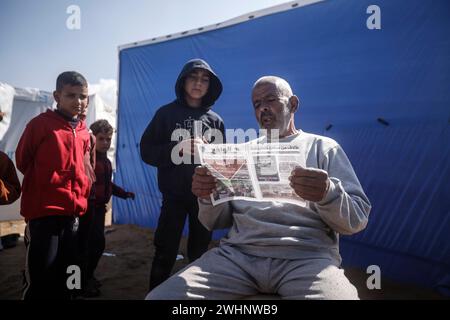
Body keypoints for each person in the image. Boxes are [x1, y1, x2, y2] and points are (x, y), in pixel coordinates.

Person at [146, 76, 371, 300]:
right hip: (238, 257)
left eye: (270, 100)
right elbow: (216, 221)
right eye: (256, 104)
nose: (263, 108)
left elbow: (357, 219)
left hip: (307, 259)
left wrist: (328, 193)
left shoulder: (323, 148)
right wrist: (207, 197)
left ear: (293, 104)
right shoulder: (240, 153)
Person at [140, 58, 225, 291]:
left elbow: (222, 163)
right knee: (165, 251)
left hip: (204, 199)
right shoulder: (165, 114)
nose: (198, 83)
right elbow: (147, 151)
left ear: (211, 85)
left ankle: (192, 298)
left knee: (199, 254)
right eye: (193, 77)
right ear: (183, 80)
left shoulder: (215, 121)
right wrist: (176, 149)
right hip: (173, 197)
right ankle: (154, 294)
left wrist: (212, 154)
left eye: (205, 79)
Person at [16, 71, 92, 300]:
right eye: (71, 95)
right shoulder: (39, 125)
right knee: (42, 278)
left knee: (72, 273)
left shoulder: (84, 132)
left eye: (83, 96)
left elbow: (86, 167)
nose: (78, 102)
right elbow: (22, 160)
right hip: (45, 214)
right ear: (57, 96)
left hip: (74, 214)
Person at [80, 119, 135, 297]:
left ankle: (87, 277)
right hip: (87, 211)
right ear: (92, 138)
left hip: (99, 210)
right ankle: (79, 284)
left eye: (108, 139)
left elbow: (108, 185)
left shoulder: (106, 161)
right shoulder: (87, 160)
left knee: (96, 245)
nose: (105, 143)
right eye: (101, 138)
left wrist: (124, 194)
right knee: (87, 247)